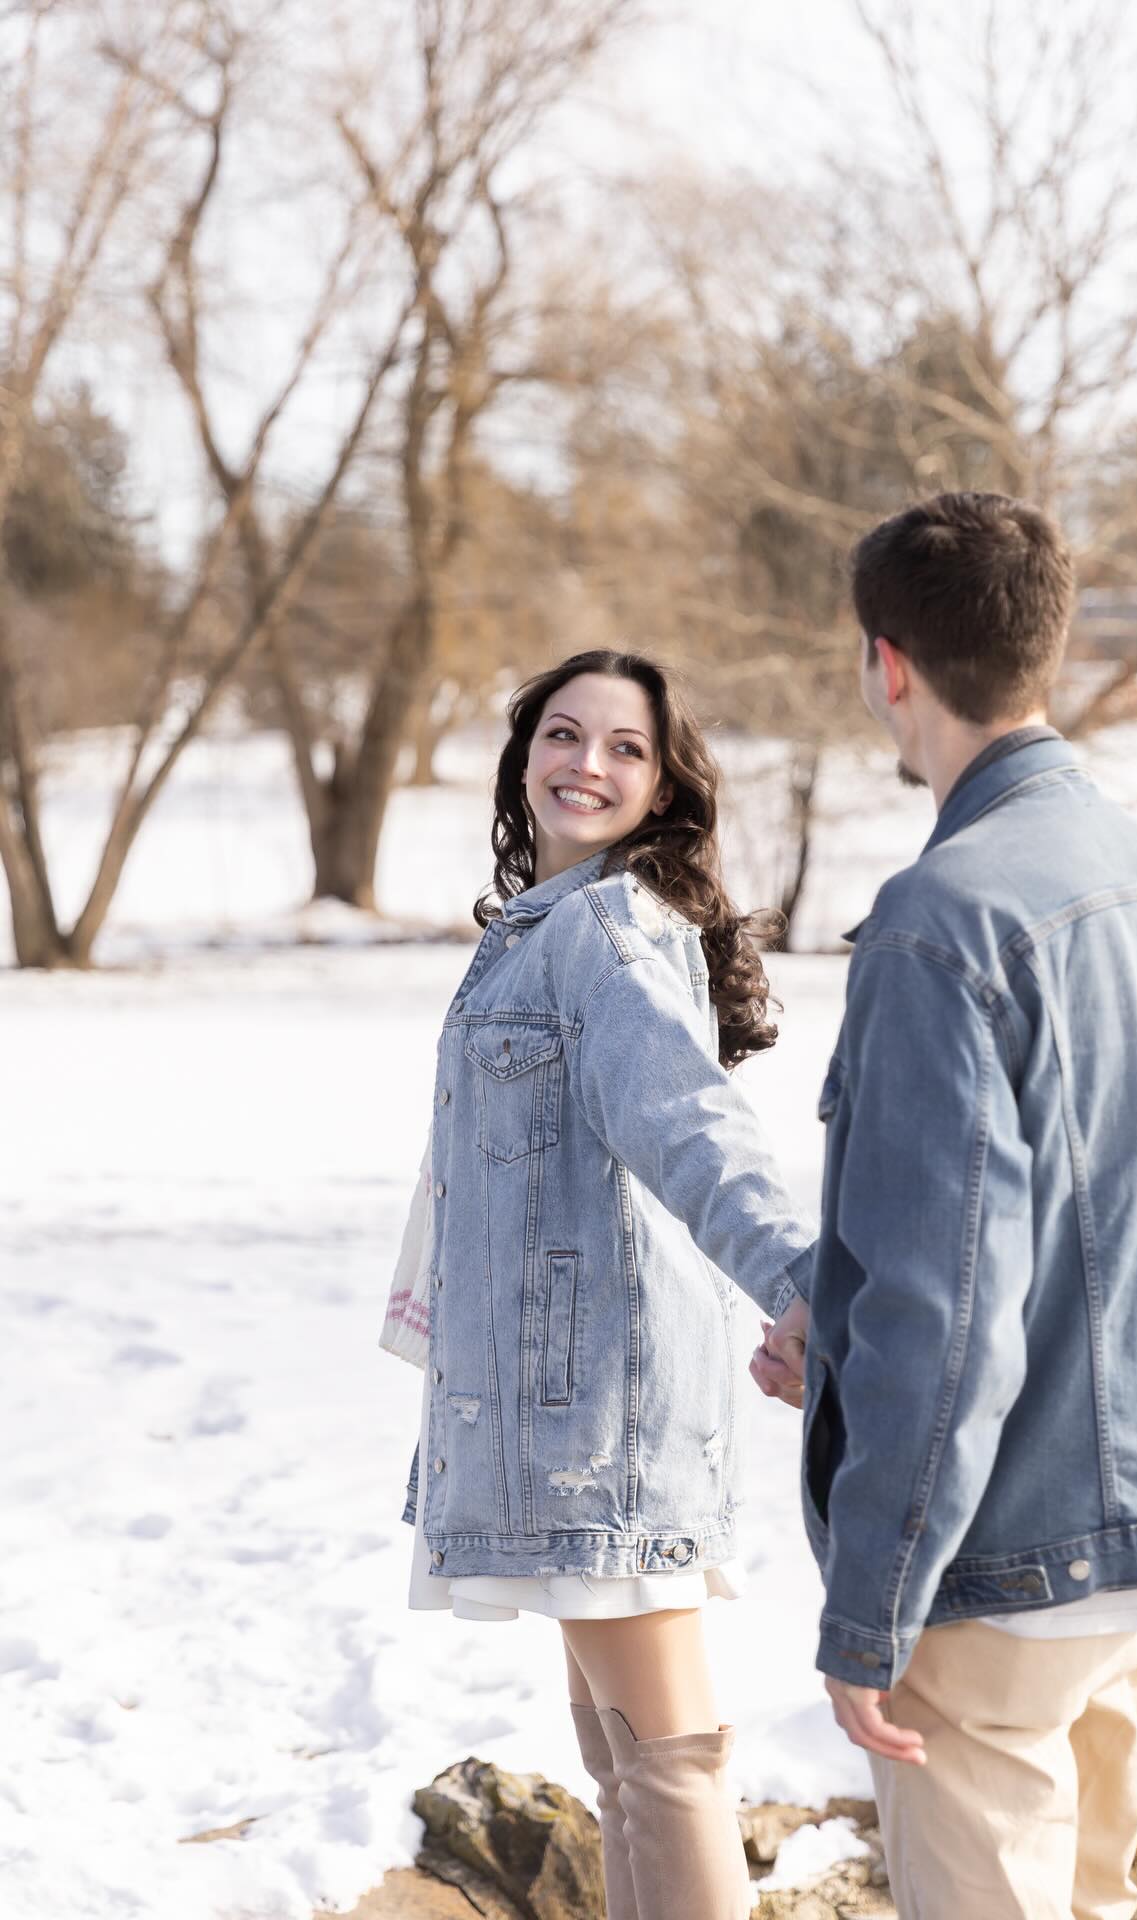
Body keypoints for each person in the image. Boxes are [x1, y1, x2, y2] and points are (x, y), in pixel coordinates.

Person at [752, 492, 1137, 1920]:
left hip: (996, 1571)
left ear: (886, 664)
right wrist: (835, 1345)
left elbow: (941, 1311)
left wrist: (869, 1608)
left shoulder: (938, 919)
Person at [380, 648, 813, 1920]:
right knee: (624, 1758)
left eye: (626, 748)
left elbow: (694, 1128)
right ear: (523, 757)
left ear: (666, 785)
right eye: (564, 736)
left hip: (601, 1420)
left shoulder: (611, 934)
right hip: (562, 1406)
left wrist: (804, 1282)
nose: (587, 765)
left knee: (668, 1763)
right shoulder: (547, 929)